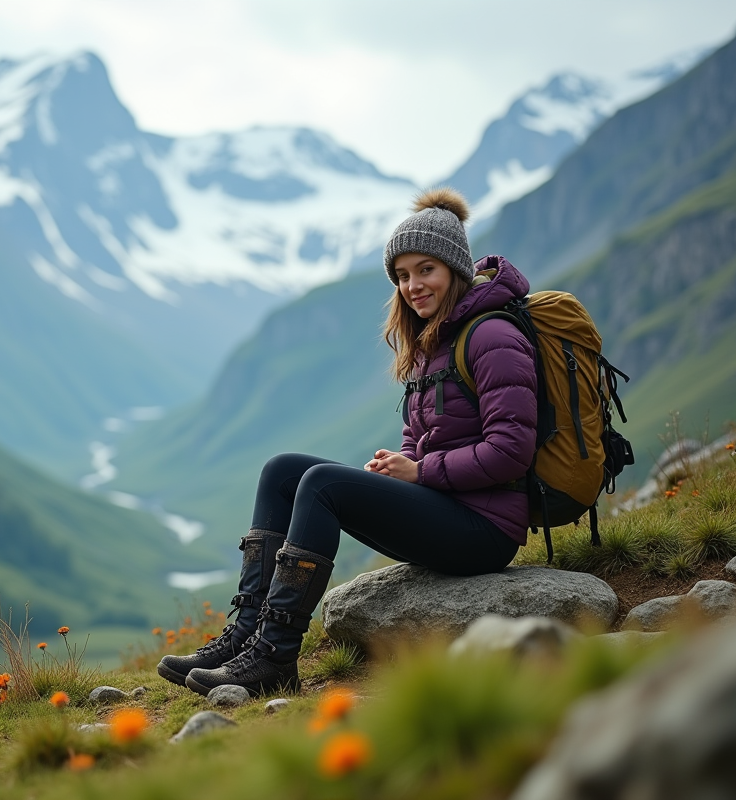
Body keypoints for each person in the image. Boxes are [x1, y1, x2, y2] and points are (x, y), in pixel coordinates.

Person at [157, 187, 539, 696]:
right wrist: (403, 463)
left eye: (425, 270)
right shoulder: (432, 339)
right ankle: (245, 633)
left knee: (321, 484)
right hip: (448, 506)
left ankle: (275, 657)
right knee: (282, 469)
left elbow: (512, 450)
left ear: (455, 269)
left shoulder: (491, 336)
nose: (412, 286)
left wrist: (420, 473)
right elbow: (426, 436)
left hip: (485, 531)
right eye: (402, 276)